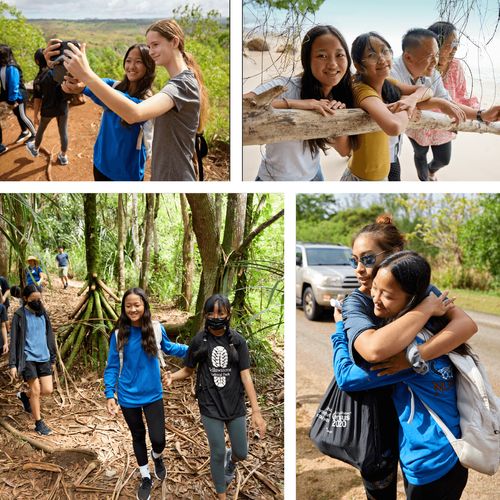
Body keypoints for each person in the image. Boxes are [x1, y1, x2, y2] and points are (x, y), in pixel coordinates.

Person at [339, 215, 477, 498]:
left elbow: (466, 325)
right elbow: (372, 350)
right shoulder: (358, 300)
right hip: (378, 412)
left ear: (393, 257)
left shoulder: (421, 291)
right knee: (380, 480)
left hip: (420, 431)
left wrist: (413, 357)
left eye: (367, 259)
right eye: (354, 261)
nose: (360, 271)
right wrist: (425, 313)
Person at [54, 19, 208, 181]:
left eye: (155, 44)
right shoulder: (175, 83)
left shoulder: (183, 84)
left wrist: (88, 75)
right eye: (149, 47)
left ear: (174, 42)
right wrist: (76, 82)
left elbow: (135, 112)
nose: (151, 51)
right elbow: (101, 90)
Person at [164, 294, 267, 500]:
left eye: (220, 312)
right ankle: (222, 494)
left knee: (241, 452)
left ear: (228, 314)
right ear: (205, 314)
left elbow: (246, 376)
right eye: (211, 312)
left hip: (234, 403)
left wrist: (256, 411)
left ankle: (232, 460)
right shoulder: (199, 341)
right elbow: (187, 370)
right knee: (217, 451)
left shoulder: (238, 341)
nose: (215, 316)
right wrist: (172, 377)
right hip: (209, 404)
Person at [103, 288, 189, 500]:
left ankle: (157, 456)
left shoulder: (156, 328)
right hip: (127, 395)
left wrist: (196, 348)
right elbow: (112, 366)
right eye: (128, 306)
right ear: (124, 308)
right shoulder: (118, 334)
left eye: (137, 305)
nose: (133, 309)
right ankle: (145, 476)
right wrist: (109, 394)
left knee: (158, 439)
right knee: (138, 435)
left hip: (152, 394)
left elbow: (169, 348)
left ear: (144, 306)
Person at [243, 25, 354, 181]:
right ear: (306, 60)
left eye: (339, 55)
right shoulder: (286, 85)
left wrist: (338, 118)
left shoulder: (340, 94)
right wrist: (298, 104)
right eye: (322, 56)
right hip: (274, 179)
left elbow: (344, 150)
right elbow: (243, 103)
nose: (333, 64)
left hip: (314, 176)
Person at [391, 28, 500, 181]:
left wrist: (481, 114)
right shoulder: (391, 72)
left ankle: (429, 172)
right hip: (396, 140)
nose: (436, 62)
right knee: (420, 154)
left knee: (443, 159)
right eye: (431, 56)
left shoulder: (432, 73)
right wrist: (433, 102)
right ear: (408, 57)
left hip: (432, 130)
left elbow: (448, 102)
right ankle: (424, 180)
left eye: (436, 55)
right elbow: (395, 103)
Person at [341, 32, 434, 181]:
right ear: (359, 65)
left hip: (382, 171)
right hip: (362, 179)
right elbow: (394, 127)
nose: (382, 59)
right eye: (372, 55)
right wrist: (407, 105)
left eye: (385, 51)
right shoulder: (361, 89)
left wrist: (411, 99)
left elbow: (426, 90)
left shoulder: (386, 82)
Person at [61, 43, 155, 181]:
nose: (131, 66)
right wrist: (74, 82)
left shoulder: (148, 102)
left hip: (126, 173)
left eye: (139, 62)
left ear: (149, 66)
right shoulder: (114, 85)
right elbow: (92, 85)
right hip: (101, 164)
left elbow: (122, 103)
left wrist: (87, 81)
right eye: (128, 61)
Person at [8, 285, 56, 436]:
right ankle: (38, 424)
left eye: (39, 298)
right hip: (28, 357)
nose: (37, 301)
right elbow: (14, 340)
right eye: (33, 299)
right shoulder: (19, 315)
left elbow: (49, 334)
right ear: (25, 298)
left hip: (44, 356)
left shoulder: (43, 313)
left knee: (47, 389)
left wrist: (53, 356)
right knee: (35, 390)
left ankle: (24, 396)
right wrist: (13, 364)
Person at [25, 49, 70, 165]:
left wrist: (35, 115)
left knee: (40, 130)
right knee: (63, 132)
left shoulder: (38, 79)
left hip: (47, 109)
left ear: (37, 61)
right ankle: (63, 156)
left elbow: (37, 99)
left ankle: (35, 149)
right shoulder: (58, 71)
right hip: (62, 107)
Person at [0, 44, 36, 155]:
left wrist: (12, 100)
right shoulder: (2, 66)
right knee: (18, 114)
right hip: (9, 96)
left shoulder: (12, 68)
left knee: (22, 116)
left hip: (18, 96)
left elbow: (14, 85)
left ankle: (34, 135)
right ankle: (25, 132)